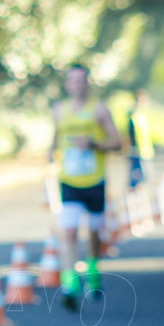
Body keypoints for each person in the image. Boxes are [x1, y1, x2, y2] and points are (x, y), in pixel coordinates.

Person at [48, 64, 122, 308]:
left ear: (87, 83)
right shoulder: (59, 110)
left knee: (92, 234)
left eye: (81, 80)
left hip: (94, 181)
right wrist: (50, 154)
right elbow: (56, 137)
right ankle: (70, 284)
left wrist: (93, 145)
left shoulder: (99, 110)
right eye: (73, 80)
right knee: (68, 232)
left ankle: (92, 271)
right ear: (67, 84)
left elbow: (117, 143)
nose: (77, 84)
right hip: (68, 181)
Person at [126, 90, 155, 188]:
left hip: (145, 152)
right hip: (136, 153)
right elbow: (129, 135)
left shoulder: (142, 115)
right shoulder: (133, 116)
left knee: (145, 179)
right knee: (136, 180)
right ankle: (134, 200)